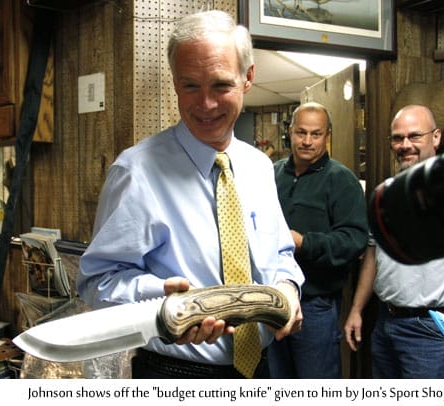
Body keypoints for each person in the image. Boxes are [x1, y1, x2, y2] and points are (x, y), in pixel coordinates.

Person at [76, 10, 304, 379]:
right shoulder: (136, 172)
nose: (206, 104)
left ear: (248, 77)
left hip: (260, 369)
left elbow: (280, 255)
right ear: (175, 82)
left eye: (220, 85)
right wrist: (162, 306)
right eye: (191, 86)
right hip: (174, 374)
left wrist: (288, 289)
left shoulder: (260, 166)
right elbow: (95, 282)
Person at [344, 104, 444, 378]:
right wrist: (356, 309)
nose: (405, 145)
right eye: (397, 138)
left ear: (435, 137)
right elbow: (373, 256)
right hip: (386, 324)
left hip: (434, 330)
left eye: (415, 136)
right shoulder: (386, 194)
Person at [268, 102, 368, 378]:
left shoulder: (342, 180)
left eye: (316, 134)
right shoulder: (272, 174)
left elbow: (354, 240)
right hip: (272, 299)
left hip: (315, 303)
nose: (307, 141)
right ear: (290, 132)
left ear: (327, 136)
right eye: (301, 132)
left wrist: (304, 243)